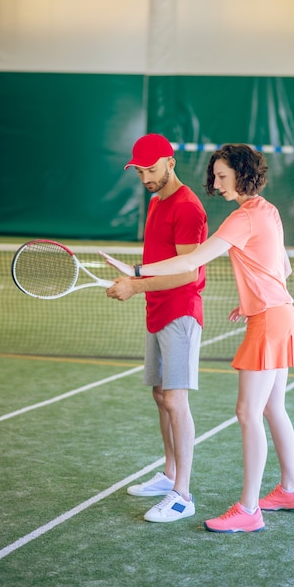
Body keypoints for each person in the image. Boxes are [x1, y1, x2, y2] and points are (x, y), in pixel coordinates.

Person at [102, 143, 294, 533]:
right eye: (214, 176)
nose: (216, 183)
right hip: (282, 314)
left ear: (244, 174)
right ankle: (290, 490)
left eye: (223, 176)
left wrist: (136, 268)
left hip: (269, 322)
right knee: (272, 409)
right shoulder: (268, 211)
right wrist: (253, 301)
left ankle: (249, 510)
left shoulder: (241, 219)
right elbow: (284, 266)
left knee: (248, 413)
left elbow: (192, 261)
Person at [106, 133, 208, 523]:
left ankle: (183, 494)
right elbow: (159, 261)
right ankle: (169, 475)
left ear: (171, 162)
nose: (146, 176)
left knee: (176, 400)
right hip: (156, 308)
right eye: (140, 170)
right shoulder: (155, 202)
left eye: (151, 168)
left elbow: (186, 273)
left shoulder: (188, 208)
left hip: (180, 312)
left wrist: (134, 285)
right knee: (160, 394)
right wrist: (134, 274)